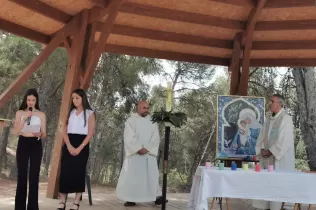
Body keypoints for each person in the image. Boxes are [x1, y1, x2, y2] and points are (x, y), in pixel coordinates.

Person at [116, 101, 166, 206]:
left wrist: (147, 148)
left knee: (151, 176)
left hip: (148, 154)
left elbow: (155, 137)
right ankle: (130, 198)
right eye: (144, 108)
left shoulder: (153, 121)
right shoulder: (131, 120)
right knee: (133, 177)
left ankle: (156, 197)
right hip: (135, 154)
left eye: (148, 108)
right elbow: (129, 136)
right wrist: (138, 148)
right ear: (138, 108)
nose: (146, 110)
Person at [252, 94, 295, 210]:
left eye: (272, 101)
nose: (269, 104)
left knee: (278, 188)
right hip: (267, 160)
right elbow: (261, 137)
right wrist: (261, 149)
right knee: (266, 188)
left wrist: (271, 151)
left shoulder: (286, 119)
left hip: (279, 161)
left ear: (280, 104)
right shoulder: (268, 119)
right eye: (270, 101)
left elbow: (285, 140)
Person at [57, 89, 96, 210]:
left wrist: (79, 148)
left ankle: (76, 202)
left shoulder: (90, 113)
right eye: (73, 98)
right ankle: (62, 202)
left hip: (82, 144)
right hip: (69, 142)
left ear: (83, 98)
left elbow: (90, 134)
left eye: (77, 98)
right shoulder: (70, 112)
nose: (74, 100)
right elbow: (63, 130)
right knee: (65, 172)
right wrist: (68, 145)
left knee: (79, 173)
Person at [13, 88, 47, 210]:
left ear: (36, 100)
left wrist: (40, 134)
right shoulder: (20, 113)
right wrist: (24, 119)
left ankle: (32, 207)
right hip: (23, 143)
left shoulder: (41, 114)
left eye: (33, 100)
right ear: (25, 100)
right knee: (22, 175)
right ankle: (19, 207)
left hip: (35, 144)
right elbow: (15, 132)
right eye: (28, 100)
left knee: (34, 176)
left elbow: (44, 134)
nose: (31, 102)